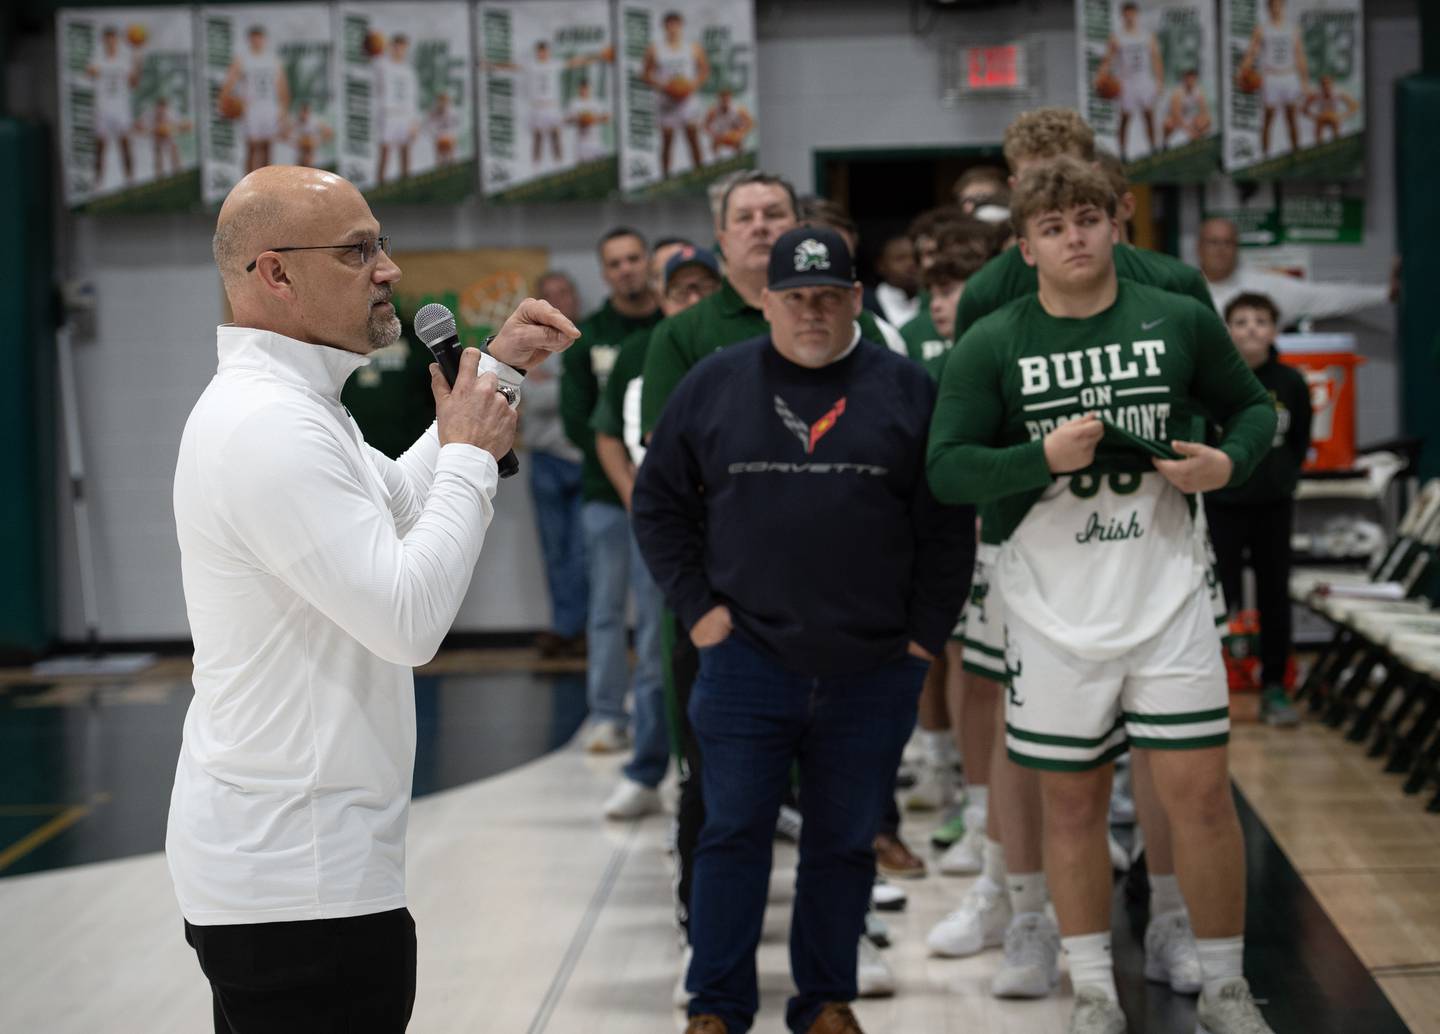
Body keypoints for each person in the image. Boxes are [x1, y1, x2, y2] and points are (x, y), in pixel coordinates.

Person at [168, 164, 578, 1033]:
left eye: (379, 244)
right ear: (276, 273)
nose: (388, 269)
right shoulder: (268, 425)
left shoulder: (296, 406)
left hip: (297, 870)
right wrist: (470, 456)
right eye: (357, 251)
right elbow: (408, 622)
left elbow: (401, 504)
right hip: (299, 880)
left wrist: (497, 374)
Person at [928, 154, 1278, 1034]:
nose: (1074, 239)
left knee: (1202, 795)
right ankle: (1092, 991)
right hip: (1050, 603)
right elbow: (946, 468)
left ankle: (1227, 989)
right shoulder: (992, 341)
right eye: (1053, 228)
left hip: (1166, 590)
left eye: (1088, 220)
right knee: (1074, 802)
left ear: (1116, 224)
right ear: (1026, 247)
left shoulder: (1177, 317)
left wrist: (1229, 462)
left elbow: (1255, 409)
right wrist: (1037, 458)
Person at [634, 225, 974, 1034]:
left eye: (828, 296)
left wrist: (922, 642)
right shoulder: (716, 385)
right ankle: (717, 1007)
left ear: (855, 298)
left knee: (844, 842)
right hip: (745, 661)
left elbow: (947, 528)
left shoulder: (906, 390)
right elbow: (658, 504)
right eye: (795, 298)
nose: (812, 312)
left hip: (873, 666)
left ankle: (825, 1000)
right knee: (731, 835)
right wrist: (701, 614)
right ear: (766, 301)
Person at [589, 237, 701, 820]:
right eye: (678, 290)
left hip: (739, 528)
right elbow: (607, 432)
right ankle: (649, 768)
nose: (690, 300)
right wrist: (639, 499)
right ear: (661, 295)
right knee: (658, 651)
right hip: (666, 528)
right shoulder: (640, 350)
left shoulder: (741, 342)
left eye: (701, 289)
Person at [562, 228, 664, 753]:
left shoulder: (672, 328)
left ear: (647, 262)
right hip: (605, 494)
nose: (626, 269)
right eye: (615, 263)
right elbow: (577, 419)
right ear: (604, 273)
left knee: (655, 608)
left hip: (664, 494)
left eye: (633, 258)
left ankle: (652, 714)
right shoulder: (589, 337)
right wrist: (622, 465)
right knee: (605, 607)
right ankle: (606, 715)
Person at [1207, 292, 1312, 727]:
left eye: (1261, 321)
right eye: (1241, 321)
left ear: (1274, 330)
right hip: (1223, 504)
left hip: (1273, 505)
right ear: (1227, 330)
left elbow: (1300, 439)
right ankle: (1208, 688)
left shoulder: (1291, 382)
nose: (1251, 328)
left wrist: (1283, 477)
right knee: (1218, 597)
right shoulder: (1213, 379)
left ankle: (1274, 688)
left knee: (1274, 597)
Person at [527, 270, 589, 660]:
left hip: (584, 460)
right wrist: (563, 389)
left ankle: (572, 628)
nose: (559, 301)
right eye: (549, 295)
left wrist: (549, 386)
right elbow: (527, 398)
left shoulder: (589, 342)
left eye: (564, 293)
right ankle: (567, 627)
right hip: (545, 461)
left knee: (582, 551)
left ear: (575, 299)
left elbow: (585, 397)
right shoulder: (530, 346)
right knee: (554, 551)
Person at [1197, 216, 1396, 326]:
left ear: (1237, 248)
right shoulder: (1184, 288)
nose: (1220, 250)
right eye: (1213, 242)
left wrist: (1384, 293)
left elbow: (1324, 296)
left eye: (1228, 242)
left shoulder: (1263, 288)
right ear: (1199, 248)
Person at [643, 11, 710, 178]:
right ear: (664, 27)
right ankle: (665, 178)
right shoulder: (655, 49)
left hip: (687, 100)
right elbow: (645, 74)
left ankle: (700, 175)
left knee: (693, 137)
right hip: (667, 100)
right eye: (669, 25)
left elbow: (704, 69)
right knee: (667, 141)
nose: (672, 28)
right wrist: (663, 86)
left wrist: (692, 85)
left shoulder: (692, 47)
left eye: (676, 24)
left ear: (681, 26)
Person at [1240, 0, 1309, 158]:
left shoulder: (1293, 28)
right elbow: (1252, 52)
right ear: (1268, 8)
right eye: (1273, 5)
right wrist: (1243, 70)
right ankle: (1265, 156)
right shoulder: (1262, 29)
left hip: (1289, 76)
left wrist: (1305, 81)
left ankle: (1297, 154)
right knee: (1268, 118)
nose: (1276, 8)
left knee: (1292, 118)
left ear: (1283, 6)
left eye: (1278, 5)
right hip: (1271, 77)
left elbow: (1300, 55)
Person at [1097, 2, 1162, 161]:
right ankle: (1123, 154)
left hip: (1144, 80)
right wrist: (1100, 75)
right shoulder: (1117, 37)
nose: (1129, 17)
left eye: (1132, 14)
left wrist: (1160, 80)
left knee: (1149, 115)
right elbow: (1107, 60)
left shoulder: (1147, 35)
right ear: (1122, 16)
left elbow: (1156, 59)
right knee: (1125, 118)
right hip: (1127, 83)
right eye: (1126, 14)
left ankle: (1154, 149)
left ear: (1136, 15)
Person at [220, 25, 290, 174]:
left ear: (264, 39)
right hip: (251, 108)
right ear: (249, 40)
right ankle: (249, 182)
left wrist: (284, 107)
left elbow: (281, 85)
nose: (257, 41)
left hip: (269, 107)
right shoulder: (243, 60)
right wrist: (223, 100)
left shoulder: (272, 59)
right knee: (252, 146)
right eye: (254, 38)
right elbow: (230, 81)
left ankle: (267, 181)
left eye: (259, 38)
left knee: (267, 146)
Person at [87, 25, 140, 187]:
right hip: (103, 108)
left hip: (120, 108)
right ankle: (98, 181)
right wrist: (98, 70)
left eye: (113, 39)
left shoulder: (124, 60)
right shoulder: (98, 58)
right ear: (104, 40)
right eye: (107, 39)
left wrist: (136, 64)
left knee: (124, 143)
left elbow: (133, 83)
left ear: (117, 40)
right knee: (100, 146)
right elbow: (90, 73)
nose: (110, 42)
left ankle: (130, 178)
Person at [375, 34, 419, 185]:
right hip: (388, 114)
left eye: (403, 47)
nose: (400, 50)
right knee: (385, 151)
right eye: (397, 46)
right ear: (391, 46)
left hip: (404, 115)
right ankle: (380, 187)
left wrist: (413, 121)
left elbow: (412, 97)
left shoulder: (409, 71)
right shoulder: (382, 65)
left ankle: (405, 186)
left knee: (405, 151)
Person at [873, 233, 920, 329]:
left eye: (915, 258)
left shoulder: (930, 299)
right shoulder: (868, 304)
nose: (911, 264)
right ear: (881, 266)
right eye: (900, 258)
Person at [1163, 68, 1212, 147]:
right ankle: (1165, 144)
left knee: (1206, 120)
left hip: (1189, 118)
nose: (1190, 80)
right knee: (1168, 124)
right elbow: (1177, 117)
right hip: (1176, 119)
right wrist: (1191, 132)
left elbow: (1204, 111)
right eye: (1188, 77)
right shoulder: (1178, 93)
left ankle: (1200, 140)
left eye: (1192, 78)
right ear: (1184, 79)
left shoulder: (1198, 91)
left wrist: (1203, 124)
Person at [566, 78, 611, 164]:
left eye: (586, 88)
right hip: (581, 143)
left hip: (595, 141)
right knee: (582, 167)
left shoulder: (596, 102)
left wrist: (594, 119)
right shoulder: (575, 103)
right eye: (582, 88)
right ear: (579, 89)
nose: (584, 91)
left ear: (590, 89)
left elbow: (607, 117)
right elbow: (567, 120)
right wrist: (577, 119)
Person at [1304, 75, 1359, 143]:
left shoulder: (1338, 93)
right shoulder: (1316, 94)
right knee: (1320, 123)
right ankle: (1319, 143)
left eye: (1328, 83)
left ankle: (1337, 141)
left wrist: (1343, 115)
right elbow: (1304, 109)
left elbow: (1354, 105)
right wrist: (1314, 117)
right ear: (1320, 85)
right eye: (1323, 84)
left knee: (1334, 120)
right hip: (1322, 117)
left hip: (1334, 116)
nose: (1326, 86)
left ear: (1332, 84)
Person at [704, 89, 754, 157]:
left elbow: (750, 123)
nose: (724, 102)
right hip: (721, 134)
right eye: (723, 99)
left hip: (734, 133)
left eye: (726, 99)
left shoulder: (739, 109)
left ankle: (741, 156)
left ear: (730, 99)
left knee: (739, 142)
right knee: (714, 144)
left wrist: (741, 133)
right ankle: (716, 159)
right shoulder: (713, 111)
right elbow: (705, 125)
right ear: (719, 99)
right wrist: (713, 134)